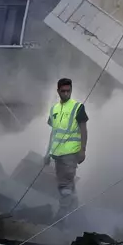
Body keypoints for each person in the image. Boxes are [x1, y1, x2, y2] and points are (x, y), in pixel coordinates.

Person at [44, 78, 88, 219]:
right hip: (58, 154)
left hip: (71, 154)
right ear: (58, 91)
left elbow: (83, 130)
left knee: (65, 185)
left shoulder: (78, 107)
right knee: (66, 185)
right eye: (63, 91)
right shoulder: (54, 109)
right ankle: (77, 214)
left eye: (68, 91)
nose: (66, 93)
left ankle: (62, 216)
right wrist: (47, 153)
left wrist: (83, 150)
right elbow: (54, 133)